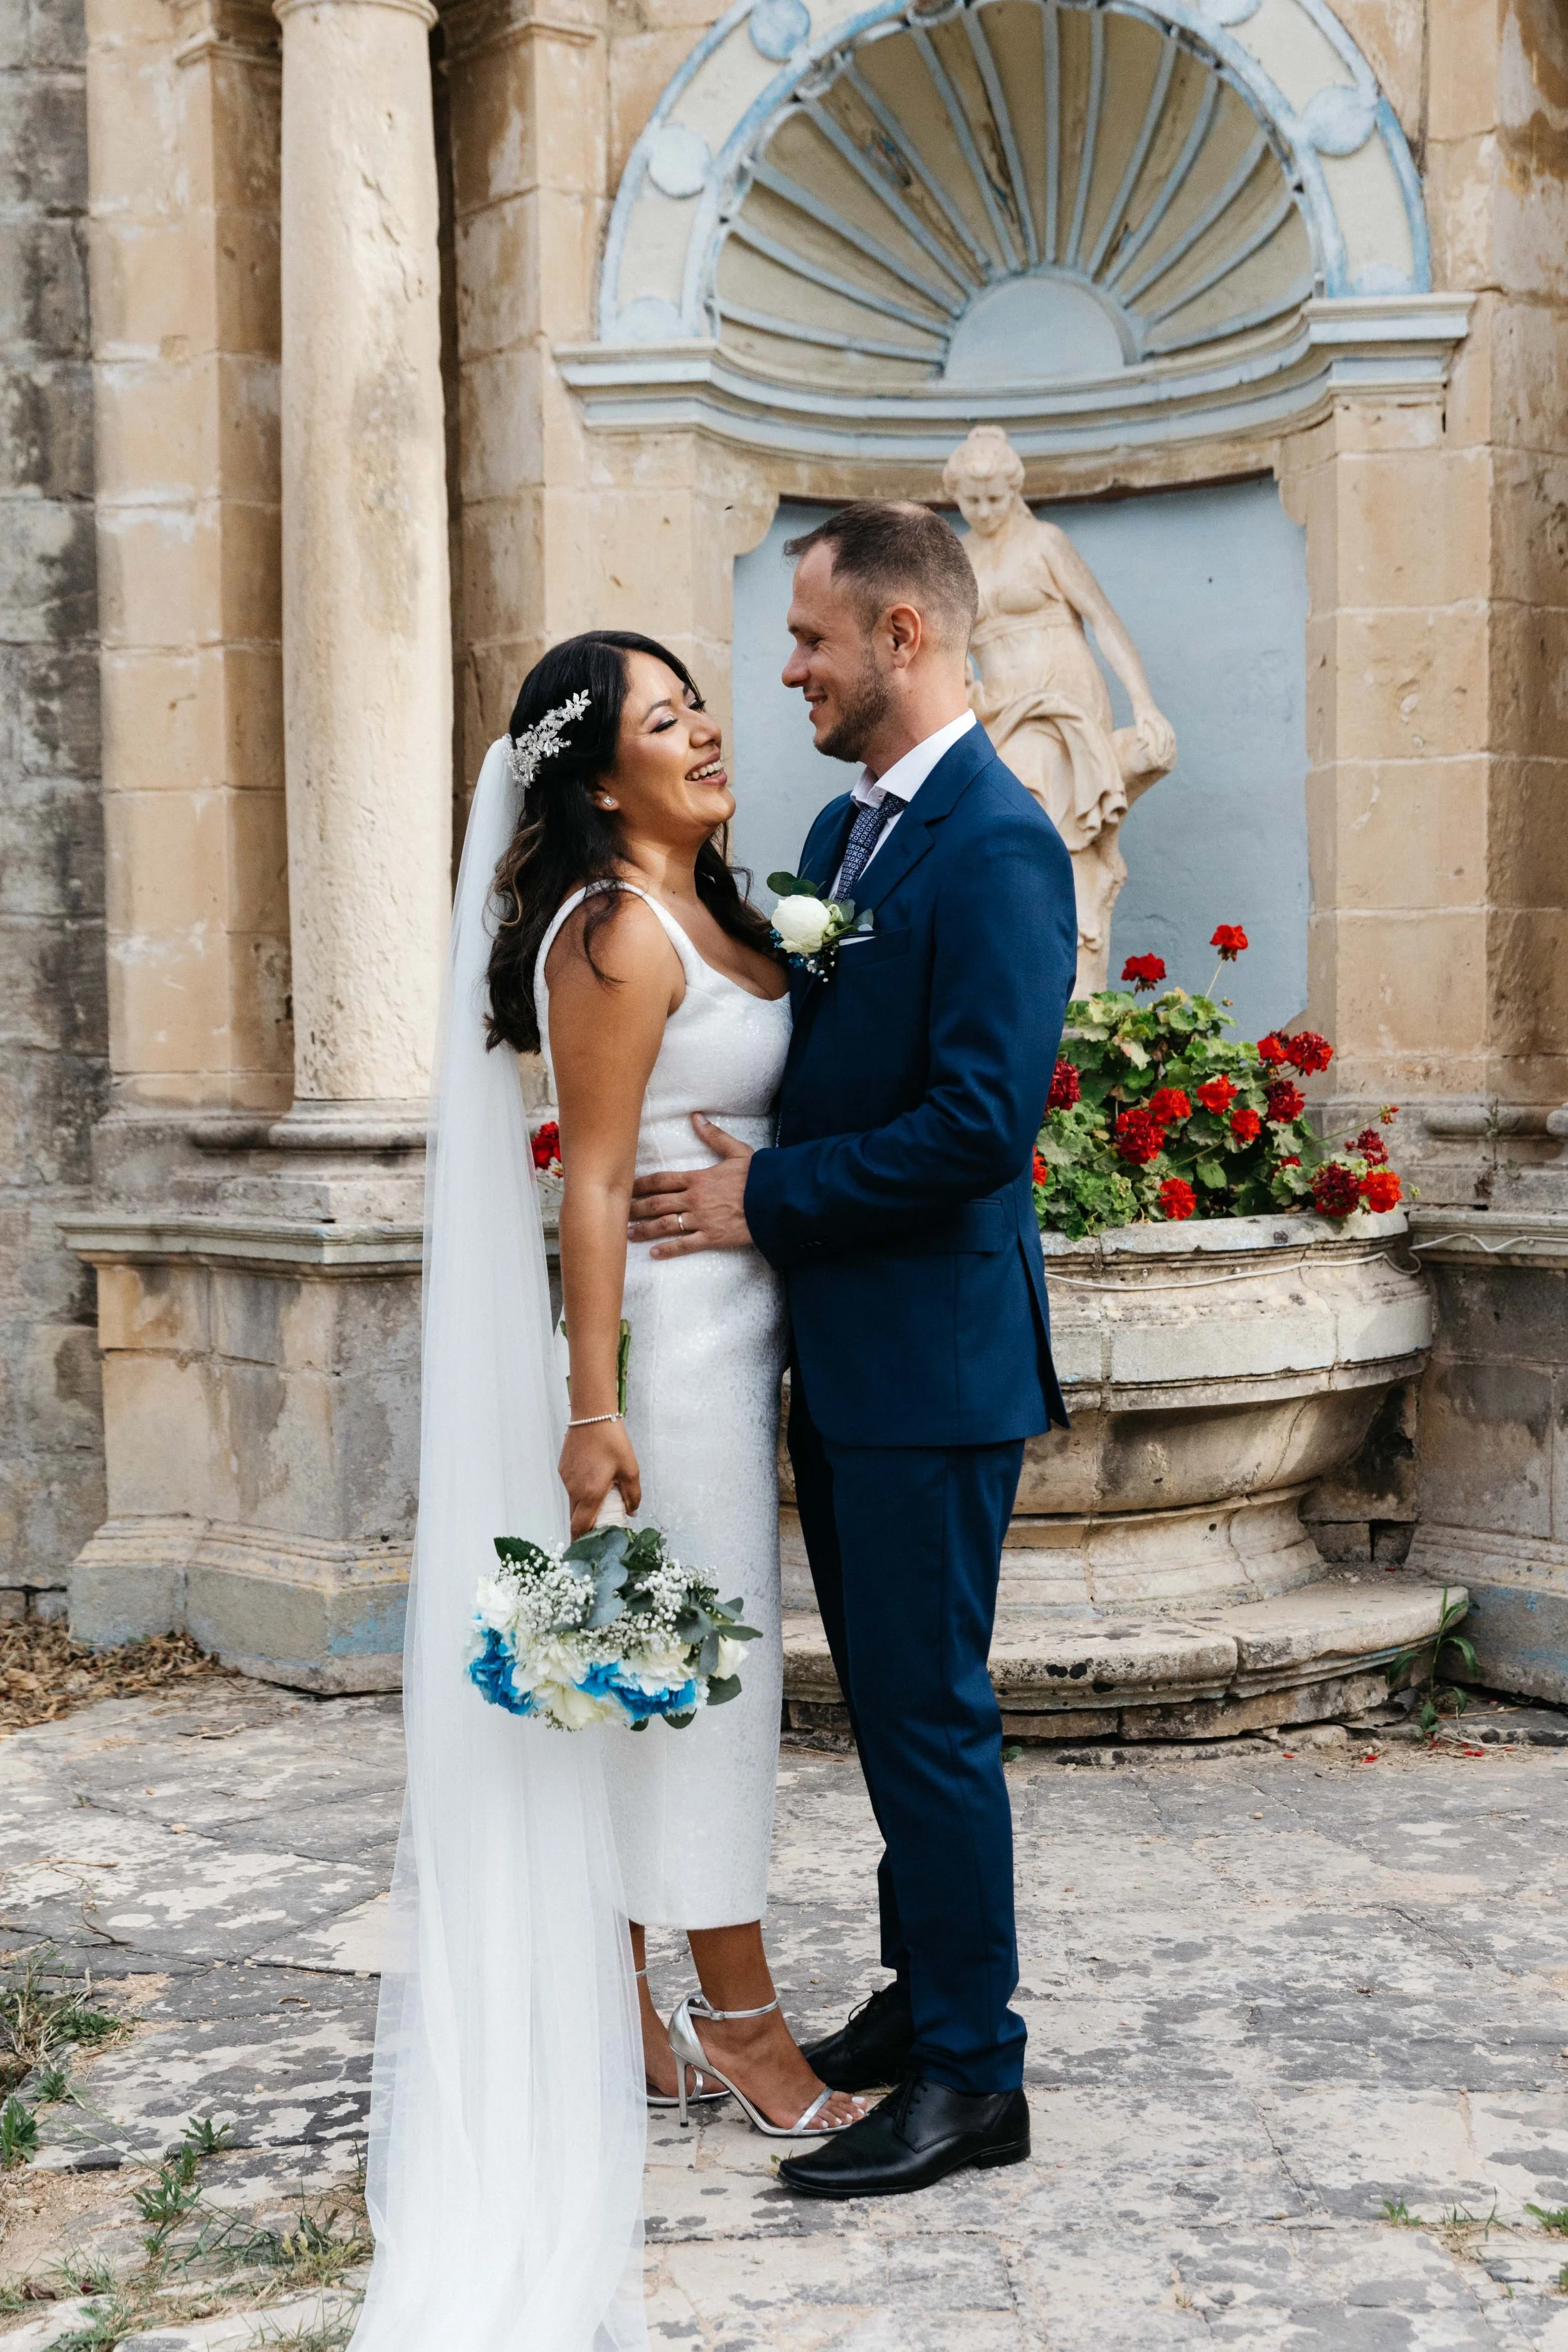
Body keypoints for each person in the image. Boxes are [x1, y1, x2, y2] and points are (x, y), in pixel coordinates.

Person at [349, 630, 855, 2352]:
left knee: (681, 1685)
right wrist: (588, 1410)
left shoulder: (720, 910)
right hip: (667, 1360)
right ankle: (744, 2023)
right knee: (712, 1694)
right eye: (664, 717)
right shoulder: (616, 933)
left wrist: (783, 1173)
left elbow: (736, 1124)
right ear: (592, 775)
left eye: (701, 702)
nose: (706, 727)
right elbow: (584, 1183)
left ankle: (642, 2011)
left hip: (741, 1323)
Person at [627, 503, 1078, 2199]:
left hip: (935, 1364)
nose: (790, 668)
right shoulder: (850, 825)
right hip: (855, 1355)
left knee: (931, 1715)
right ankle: (922, 1992)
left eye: (813, 638)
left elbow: (980, 1120)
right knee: (894, 1715)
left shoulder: (999, 842)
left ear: (903, 637)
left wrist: (768, 1199)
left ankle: (976, 2071)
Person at [943, 423, 1176, 995]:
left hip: (1061, 701)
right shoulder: (956, 559)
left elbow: (1103, 621)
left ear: (1016, 488)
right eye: (971, 500)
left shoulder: (1044, 542)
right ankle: (1021, 950)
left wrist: (1144, 704)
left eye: (995, 498)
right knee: (993, 824)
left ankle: (1054, 951)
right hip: (997, 705)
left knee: (1032, 804)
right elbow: (946, 648)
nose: (984, 510)